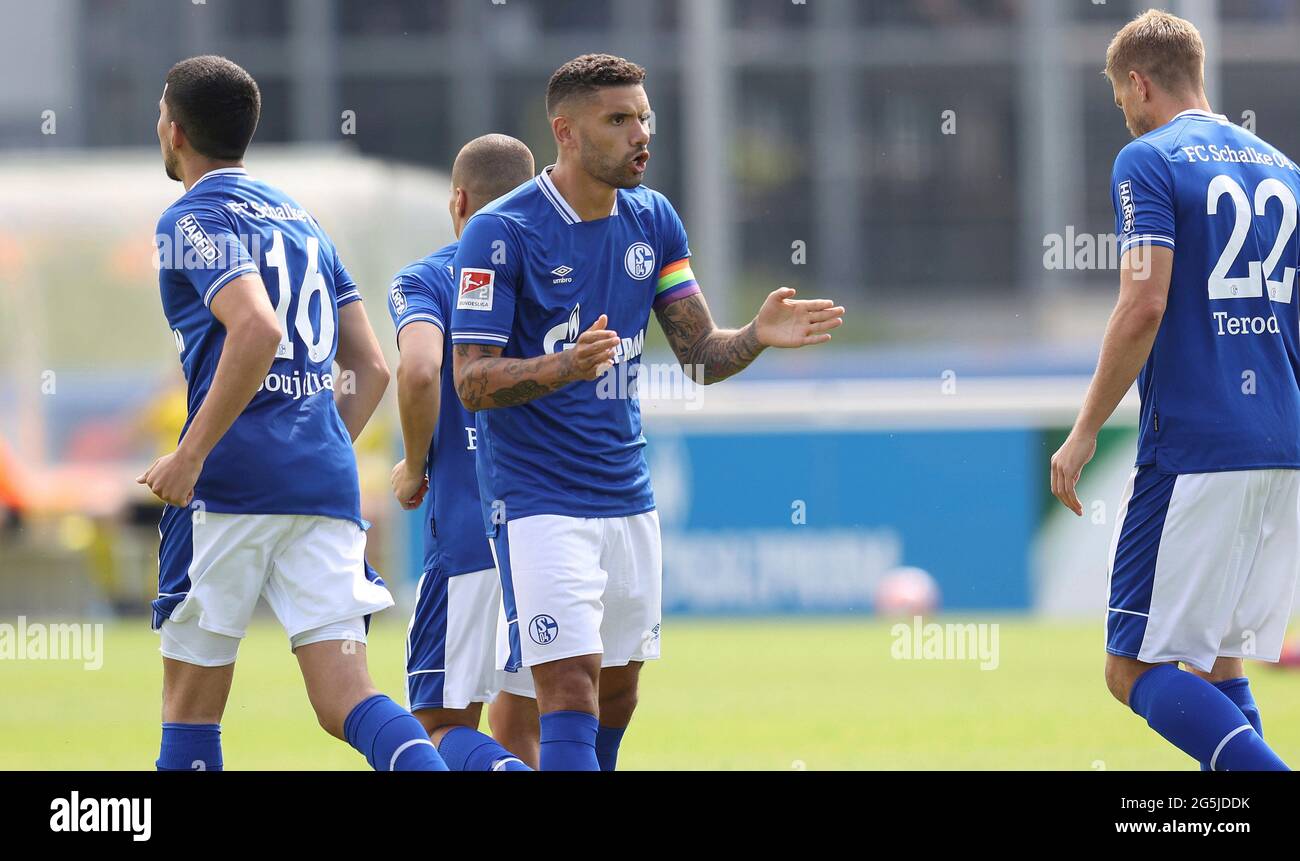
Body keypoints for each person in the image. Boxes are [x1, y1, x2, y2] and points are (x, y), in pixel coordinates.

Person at [450, 54, 846, 770]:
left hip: (626, 496)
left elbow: (698, 354)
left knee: (619, 690)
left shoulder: (652, 218)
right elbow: (470, 382)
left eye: (645, 117)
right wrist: (561, 366)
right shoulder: (501, 232)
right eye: (620, 119)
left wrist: (756, 335)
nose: (641, 134)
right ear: (565, 132)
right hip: (537, 500)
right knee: (567, 686)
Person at [141, 55, 446, 771]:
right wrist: (311, 444)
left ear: (175, 130)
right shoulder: (304, 221)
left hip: (228, 486)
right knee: (347, 696)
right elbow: (372, 366)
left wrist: (190, 454)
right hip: (322, 483)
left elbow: (257, 328)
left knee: (191, 704)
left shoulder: (191, 217)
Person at [1051, 10, 1297, 770]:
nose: (1121, 112)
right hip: (1281, 441)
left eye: (1118, 96)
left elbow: (1144, 302)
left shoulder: (1148, 160)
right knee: (1220, 659)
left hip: (1196, 444)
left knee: (1130, 668)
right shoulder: (1283, 169)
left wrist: (1085, 427)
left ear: (1137, 82)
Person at [388, 134, 540, 770]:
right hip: (545, 536)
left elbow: (420, 371)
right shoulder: (555, 276)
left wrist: (415, 465)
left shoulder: (429, 277)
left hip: (468, 537)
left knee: (437, 729)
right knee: (523, 730)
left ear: (458, 201)